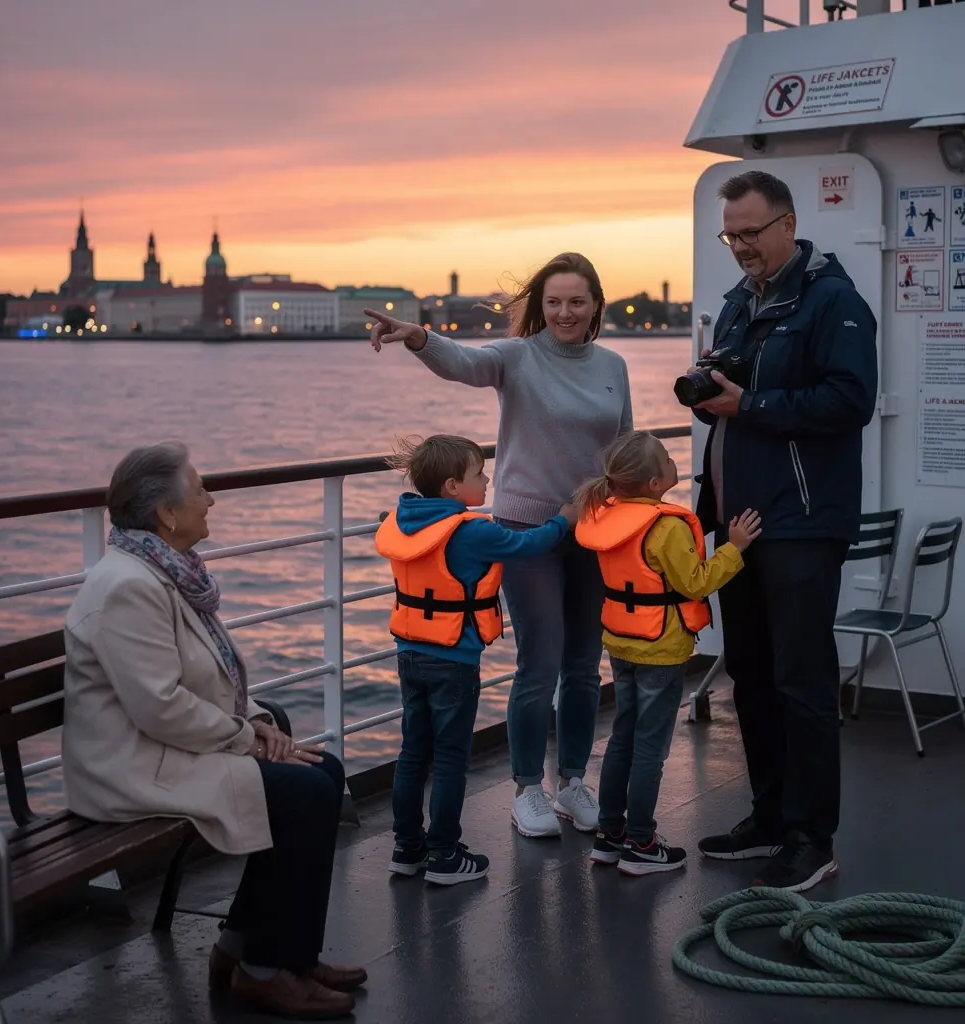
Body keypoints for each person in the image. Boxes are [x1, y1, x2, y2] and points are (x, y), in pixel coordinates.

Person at [61, 442, 365, 1020]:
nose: (211, 500)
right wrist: (248, 739)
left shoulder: (164, 572)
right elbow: (161, 707)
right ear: (166, 515)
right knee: (301, 792)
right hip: (131, 768)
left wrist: (256, 724)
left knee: (324, 770)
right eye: (199, 490)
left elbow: (201, 683)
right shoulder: (128, 588)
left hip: (167, 749)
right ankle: (266, 972)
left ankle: (258, 951)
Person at [364, 253, 633, 840]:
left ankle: (572, 783)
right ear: (540, 305)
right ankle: (527, 789)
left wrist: (636, 513)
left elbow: (626, 449)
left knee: (586, 668)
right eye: (555, 301)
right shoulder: (517, 357)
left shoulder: (613, 364)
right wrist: (419, 338)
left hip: (592, 531)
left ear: (595, 306)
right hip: (525, 531)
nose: (565, 312)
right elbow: (464, 362)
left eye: (577, 301)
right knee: (540, 663)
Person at [688, 170, 878, 892]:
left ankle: (810, 836)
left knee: (802, 682)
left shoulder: (833, 301)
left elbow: (850, 399)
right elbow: (731, 399)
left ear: (788, 225)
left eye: (749, 233)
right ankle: (768, 817)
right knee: (752, 675)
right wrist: (712, 397)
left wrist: (753, 403)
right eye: (729, 234)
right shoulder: (742, 303)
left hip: (800, 521)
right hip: (742, 526)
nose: (739, 246)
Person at [376, 434, 577, 882]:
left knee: (413, 754)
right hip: (454, 661)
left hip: (409, 655)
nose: (488, 481)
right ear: (452, 486)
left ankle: (408, 849)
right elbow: (528, 546)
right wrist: (564, 520)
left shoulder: (399, 521)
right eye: (479, 474)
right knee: (449, 759)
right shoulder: (472, 530)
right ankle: (445, 855)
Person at [574, 431, 759, 875]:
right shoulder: (667, 526)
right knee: (650, 750)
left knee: (622, 739)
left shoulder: (606, 515)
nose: (675, 459)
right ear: (656, 484)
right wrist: (735, 547)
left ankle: (609, 835)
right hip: (661, 648)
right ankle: (641, 843)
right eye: (668, 457)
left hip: (620, 642)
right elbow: (695, 582)